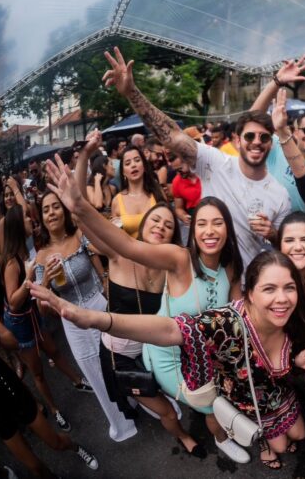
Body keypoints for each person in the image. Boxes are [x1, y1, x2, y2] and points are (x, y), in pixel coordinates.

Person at [30, 251, 305, 471]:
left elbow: (288, 356)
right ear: (249, 294)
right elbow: (170, 329)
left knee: (300, 433)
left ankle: (282, 432)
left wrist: (298, 359)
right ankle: (265, 443)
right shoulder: (226, 324)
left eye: (289, 288)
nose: (282, 299)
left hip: (279, 395)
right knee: (282, 445)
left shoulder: (292, 318)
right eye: (269, 289)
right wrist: (94, 319)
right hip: (248, 404)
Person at [44, 152, 249, 461]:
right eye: (202, 223)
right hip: (155, 353)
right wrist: (78, 205)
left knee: (218, 389)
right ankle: (214, 437)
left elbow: (235, 312)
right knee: (205, 402)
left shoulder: (226, 268)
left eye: (218, 223)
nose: (209, 230)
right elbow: (124, 244)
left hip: (192, 351)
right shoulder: (177, 259)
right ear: (192, 232)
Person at [73, 131, 206, 457]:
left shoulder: (172, 269)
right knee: (165, 412)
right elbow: (79, 210)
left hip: (157, 353)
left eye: (168, 225)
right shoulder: (120, 256)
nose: (161, 225)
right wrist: (86, 156)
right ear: (141, 227)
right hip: (120, 355)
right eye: (154, 221)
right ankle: (183, 437)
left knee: (181, 400)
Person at [102, 47, 292, 266]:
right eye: (250, 136)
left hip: (249, 287)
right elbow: (172, 135)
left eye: (264, 137)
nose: (257, 142)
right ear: (238, 140)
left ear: (271, 142)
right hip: (205, 278)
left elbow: (286, 248)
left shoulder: (279, 195)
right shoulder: (215, 162)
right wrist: (131, 92)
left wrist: (273, 234)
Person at [34, 192, 137, 442]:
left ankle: (139, 400)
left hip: (98, 306)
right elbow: (42, 309)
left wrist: (105, 286)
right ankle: (120, 422)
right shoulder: (40, 257)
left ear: (63, 211)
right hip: (71, 320)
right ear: (42, 218)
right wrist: (46, 280)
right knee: (93, 370)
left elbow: (103, 256)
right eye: (46, 209)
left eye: (56, 207)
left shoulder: (79, 236)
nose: (51, 213)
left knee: (121, 356)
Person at [0, 204, 89, 433]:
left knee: (54, 350)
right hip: (20, 323)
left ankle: (79, 381)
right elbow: (12, 301)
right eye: (28, 219)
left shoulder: (27, 247)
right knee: (38, 371)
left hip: (33, 314)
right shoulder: (11, 262)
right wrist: (29, 278)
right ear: (19, 226)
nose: (33, 221)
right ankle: (55, 410)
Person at [0, 335, 99, 478]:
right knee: (35, 468)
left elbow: (9, 340)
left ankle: (76, 447)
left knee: (56, 443)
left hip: (5, 384)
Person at [111, 145, 164, 238]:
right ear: (123, 172)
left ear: (144, 165)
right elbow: (115, 239)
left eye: (137, 160)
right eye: (128, 163)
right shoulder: (117, 201)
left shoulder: (157, 193)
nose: (133, 165)